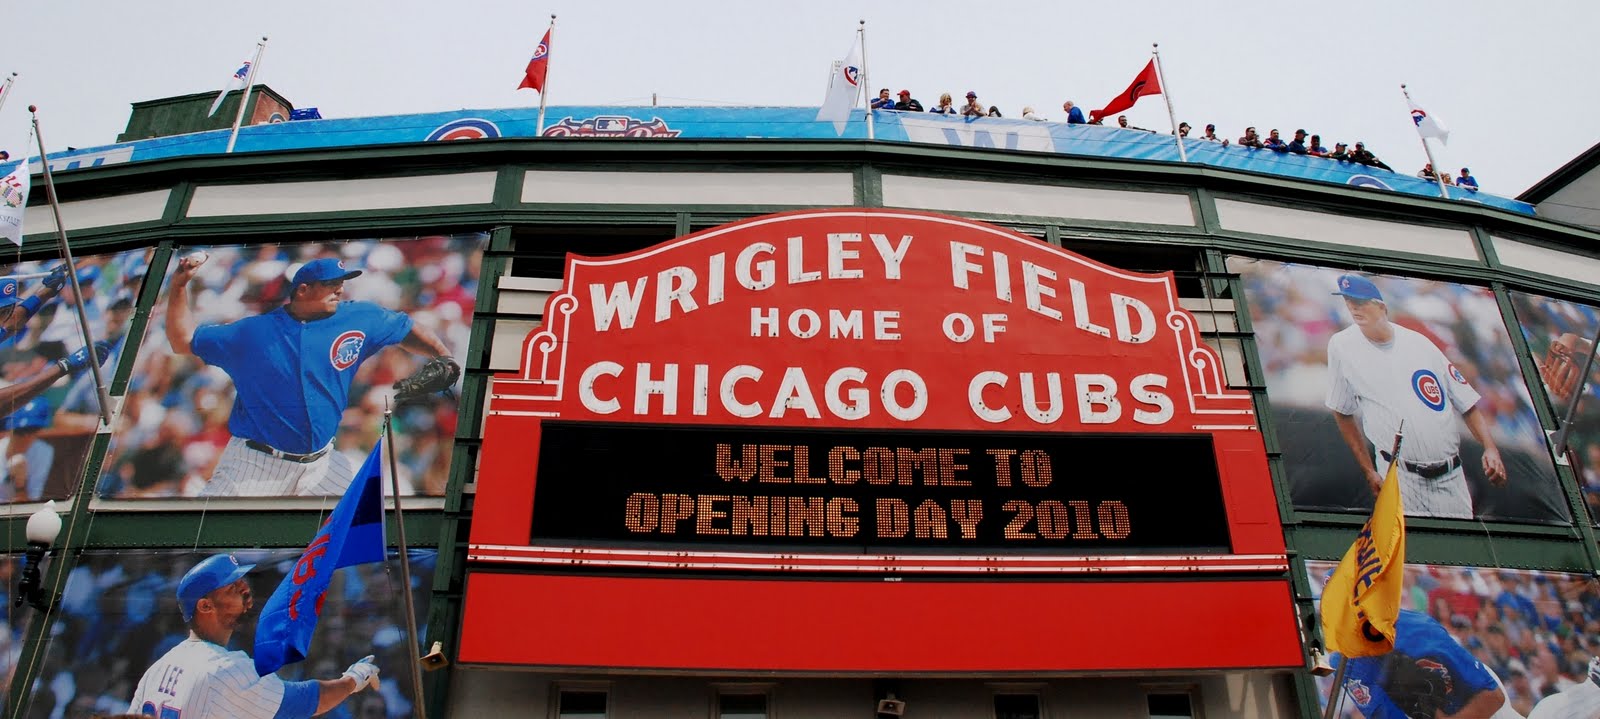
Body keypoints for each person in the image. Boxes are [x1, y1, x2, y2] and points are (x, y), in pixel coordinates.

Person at [164, 255, 454, 497]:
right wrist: (178, 286)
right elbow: (183, 340)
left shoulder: (360, 317)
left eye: (341, 282)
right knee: (206, 534)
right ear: (302, 290)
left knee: (370, 521)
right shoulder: (252, 332)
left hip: (321, 465)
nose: (339, 289)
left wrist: (443, 355)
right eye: (330, 284)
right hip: (257, 463)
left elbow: (405, 328)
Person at [1325, 274, 1506, 518]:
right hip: (1399, 477)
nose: (1353, 308)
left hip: (1450, 476)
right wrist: (1368, 469)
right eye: (1349, 302)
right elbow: (1341, 410)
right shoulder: (1341, 345)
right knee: (1408, 544)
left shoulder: (1419, 343)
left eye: (1360, 302)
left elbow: (1466, 402)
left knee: (1461, 542)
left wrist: (1490, 448)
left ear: (1382, 307)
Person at [127, 554, 379, 718]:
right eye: (232, 588)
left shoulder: (159, 668)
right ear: (205, 606)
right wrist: (353, 679)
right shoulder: (225, 666)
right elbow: (302, 702)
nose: (245, 592)